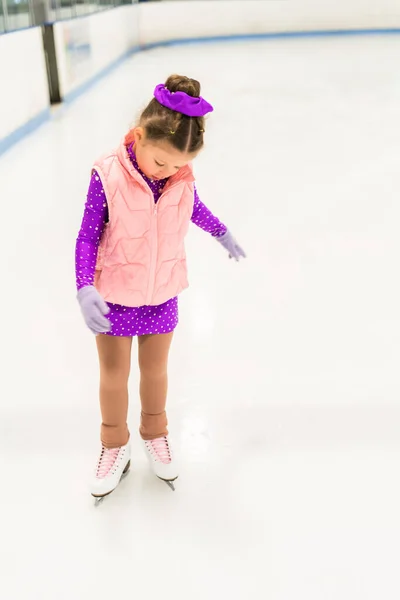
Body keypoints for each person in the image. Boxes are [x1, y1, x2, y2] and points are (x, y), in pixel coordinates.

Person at [75, 74, 245, 500]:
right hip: (114, 294)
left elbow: (192, 207)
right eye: (161, 163)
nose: (169, 172)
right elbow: (87, 235)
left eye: (178, 165)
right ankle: (114, 445)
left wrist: (221, 231)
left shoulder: (181, 176)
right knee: (113, 376)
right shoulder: (107, 174)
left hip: (162, 291)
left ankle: (156, 432)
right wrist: (84, 286)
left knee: (156, 371)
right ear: (138, 137)